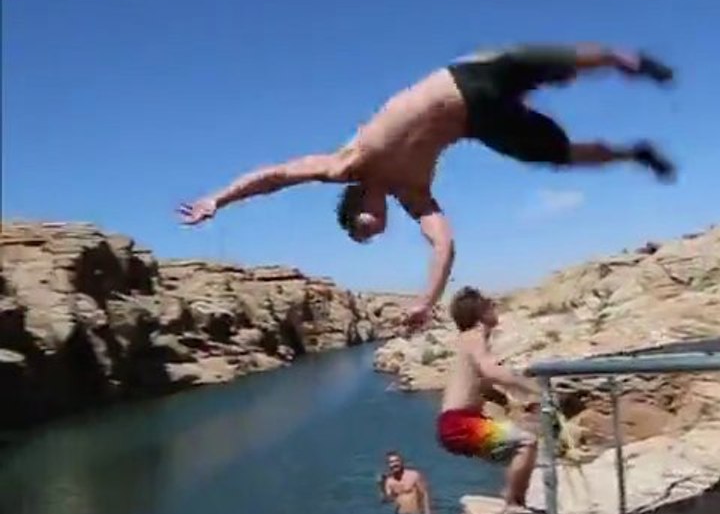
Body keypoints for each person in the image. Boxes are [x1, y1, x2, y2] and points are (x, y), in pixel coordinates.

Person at [176, 43, 678, 330]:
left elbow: (276, 177)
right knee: (560, 154)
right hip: (479, 122)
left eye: (362, 232)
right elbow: (445, 245)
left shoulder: (343, 164)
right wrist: (427, 301)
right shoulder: (414, 197)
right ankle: (635, 153)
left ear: (353, 209)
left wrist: (218, 198)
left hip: (463, 79)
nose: (374, 232)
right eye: (371, 237)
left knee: (560, 63)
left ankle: (622, 60)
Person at [434, 286, 542, 514]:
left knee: (521, 442)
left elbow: (479, 384)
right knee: (527, 442)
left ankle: (513, 496)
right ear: (480, 313)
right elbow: (490, 371)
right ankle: (512, 503)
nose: (496, 309)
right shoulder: (474, 336)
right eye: (491, 305)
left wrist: (513, 401)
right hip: (458, 424)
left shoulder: (467, 340)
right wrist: (534, 388)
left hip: (456, 424)